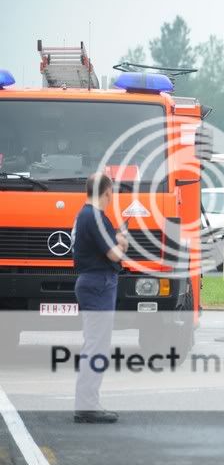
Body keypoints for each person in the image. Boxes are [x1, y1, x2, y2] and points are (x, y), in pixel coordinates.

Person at [72, 173, 129, 424]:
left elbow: (97, 244)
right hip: (99, 282)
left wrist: (114, 238)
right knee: (97, 346)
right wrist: (123, 244)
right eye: (111, 194)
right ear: (107, 193)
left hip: (89, 281)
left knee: (93, 343)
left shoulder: (83, 215)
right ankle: (87, 405)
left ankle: (87, 403)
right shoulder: (96, 217)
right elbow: (114, 255)